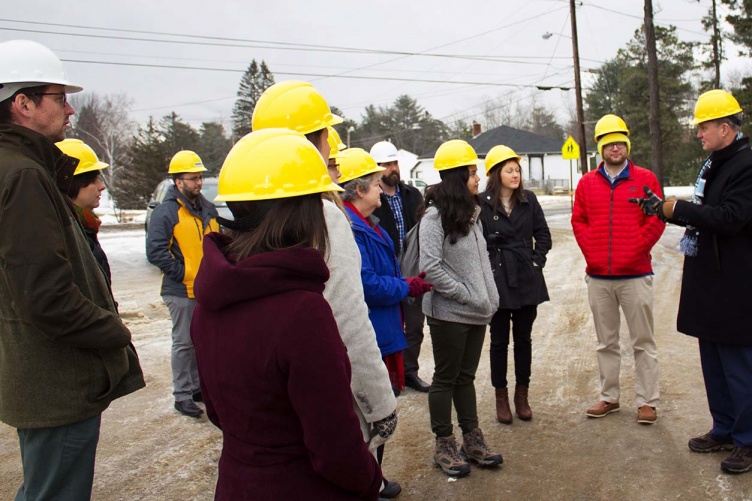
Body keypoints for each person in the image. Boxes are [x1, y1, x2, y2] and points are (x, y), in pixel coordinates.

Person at [191, 128, 383, 500]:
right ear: (302, 211)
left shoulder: (211, 299)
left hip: (236, 484)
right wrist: (369, 479)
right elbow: (335, 448)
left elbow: (216, 411)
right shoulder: (302, 311)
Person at [0, 39, 144, 500]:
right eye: (60, 98)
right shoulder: (21, 174)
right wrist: (112, 330)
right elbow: (46, 298)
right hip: (55, 381)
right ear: (22, 103)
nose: (70, 111)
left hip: (36, 372)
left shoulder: (19, 167)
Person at [252, 81, 400, 499]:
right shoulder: (322, 217)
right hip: (327, 388)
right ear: (310, 142)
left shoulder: (249, 213)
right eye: (324, 139)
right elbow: (348, 320)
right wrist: (379, 404)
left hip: (267, 400)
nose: (328, 151)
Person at [631, 89, 752, 474]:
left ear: (725, 128)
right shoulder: (717, 163)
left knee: (739, 364)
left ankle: (748, 441)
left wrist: (678, 208)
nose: (699, 133)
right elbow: (706, 212)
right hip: (712, 279)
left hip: (736, 282)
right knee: (714, 359)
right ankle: (725, 428)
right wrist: (663, 210)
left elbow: (730, 218)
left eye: (703, 127)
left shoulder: (746, 165)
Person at [571, 114, 665, 424]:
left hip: (636, 275)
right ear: (600, 146)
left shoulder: (645, 179)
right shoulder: (586, 183)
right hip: (599, 277)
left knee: (643, 341)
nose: (615, 146)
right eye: (609, 142)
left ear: (627, 144)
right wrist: (594, 253)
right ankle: (609, 397)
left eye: (620, 141)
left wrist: (636, 248)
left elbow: (656, 219)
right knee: (606, 342)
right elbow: (579, 221)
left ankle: (647, 401)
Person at [420, 139, 502, 477]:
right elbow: (431, 267)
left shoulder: (473, 213)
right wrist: (467, 294)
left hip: (477, 312)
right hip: (448, 314)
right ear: (455, 177)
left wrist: (488, 298)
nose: (478, 179)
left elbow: (482, 263)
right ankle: (444, 444)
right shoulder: (433, 217)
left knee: (465, 378)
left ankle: (472, 440)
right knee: (445, 378)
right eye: (471, 173)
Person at [480, 145, 552, 424]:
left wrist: (537, 261)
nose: (515, 174)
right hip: (497, 276)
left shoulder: (529, 199)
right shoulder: (481, 202)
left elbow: (543, 234)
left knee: (523, 339)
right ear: (496, 173)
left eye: (517, 170)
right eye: (509, 170)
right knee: (498, 342)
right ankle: (501, 397)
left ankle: (522, 396)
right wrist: (489, 266)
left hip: (525, 275)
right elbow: (477, 240)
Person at [146, 150, 219, 418]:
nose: (198, 183)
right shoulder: (167, 212)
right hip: (181, 289)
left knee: (201, 340)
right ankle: (182, 395)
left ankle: (198, 388)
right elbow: (155, 252)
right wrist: (185, 272)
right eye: (193, 178)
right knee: (184, 342)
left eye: (200, 177)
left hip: (206, 288)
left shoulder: (207, 208)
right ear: (178, 182)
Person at [370, 140, 430, 393]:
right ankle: (389, 378)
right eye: (387, 164)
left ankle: (410, 372)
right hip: (387, 273)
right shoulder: (372, 197)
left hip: (412, 269)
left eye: (394, 163)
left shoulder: (412, 195)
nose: (393, 168)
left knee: (415, 326)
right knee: (389, 327)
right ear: (376, 169)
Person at [55, 138, 112, 284]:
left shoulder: (86, 226)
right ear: (71, 185)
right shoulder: (63, 233)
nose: (101, 186)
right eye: (93, 180)